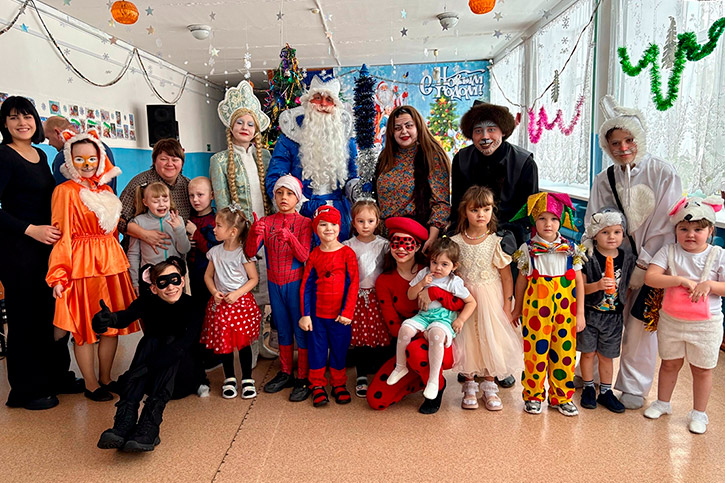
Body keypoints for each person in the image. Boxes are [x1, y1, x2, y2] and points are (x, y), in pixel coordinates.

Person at [586, 95, 682, 409]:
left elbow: (666, 224)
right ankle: (590, 374)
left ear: (639, 138)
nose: (623, 148)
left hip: (651, 264)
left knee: (640, 325)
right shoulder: (604, 179)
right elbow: (595, 219)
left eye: (629, 140)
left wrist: (644, 265)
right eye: (615, 143)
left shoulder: (663, 173)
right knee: (600, 315)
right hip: (609, 263)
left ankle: (633, 385)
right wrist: (594, 256)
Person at [46, 129, 139, 402]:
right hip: (82, 266)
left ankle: (106, 378)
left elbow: (112, 230)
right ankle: (90, 383)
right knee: (85, 328)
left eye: (91, 158)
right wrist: (59, 274)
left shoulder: (107, 190)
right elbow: (62, 235)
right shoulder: (64, 192)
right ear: (69, 160)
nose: (87, 164)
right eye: (79, 159)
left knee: (111, 324)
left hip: (111, 263)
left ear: (100, 159)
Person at [0, 96, 79, 410]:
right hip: (19, 250)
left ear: (36, 120)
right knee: (25, 319)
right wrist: (30, 229)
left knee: (51, 313)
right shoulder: (4, 155)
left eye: (27, 116)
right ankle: (25, 390)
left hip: (47, 248)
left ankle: (56, 376)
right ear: (5, 124)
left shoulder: (41, 154)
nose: (22, 123)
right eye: (14, 117)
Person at [94, 257, 208, 452]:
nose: (171, 287)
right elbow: (125, 317)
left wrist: (143, 368)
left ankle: (150, 424)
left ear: (182, 281)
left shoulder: (193, 305)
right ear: (154, 288)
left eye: (175, 280)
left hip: (181, 377)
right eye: (163, 283)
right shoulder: (148, 301)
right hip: (151, 373)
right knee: (151, 340)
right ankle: (124, 422)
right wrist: (107, 319)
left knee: (171, 342)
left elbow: (182, 346)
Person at [643, 196, 725, 434]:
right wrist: (678, 280)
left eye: (698, 229)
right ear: (676, 230)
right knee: (669, 363)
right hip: (672, 321)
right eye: (684, 229)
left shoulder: (718, 254)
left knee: (702, 368)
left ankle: (699, 413)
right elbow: (651, 277)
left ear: (710, 231)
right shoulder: (669, 251)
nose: (691, 234)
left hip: (706, 324)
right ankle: (663, 402)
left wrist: (710, 285)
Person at [367, 217, 463, 414]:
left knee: (417, 350)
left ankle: (436, 384)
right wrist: (420, 332)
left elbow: (459, 302)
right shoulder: (385, 280)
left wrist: (434, 293)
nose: (401, 248)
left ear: (418, 246)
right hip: (408, 339)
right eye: (396, 242)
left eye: (407, 243)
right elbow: (394, 325)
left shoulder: (435, 270)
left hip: (438, 338)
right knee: (376, 399)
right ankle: (419, 378)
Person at [511, 192, 587, 416]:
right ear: (534, 221)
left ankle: (561, 397)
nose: (548, 224)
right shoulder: (527, 249)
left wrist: (580, 313)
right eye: (542, 218)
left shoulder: (571, 248)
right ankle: (533, 395)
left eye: (554, 219)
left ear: (561, 221)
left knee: (564, 353)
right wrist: (516, 309)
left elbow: (579, 282)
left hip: (566, 309)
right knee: (535, 353)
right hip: (536, 310)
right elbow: (521, 281)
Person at [450, 186, 523, 411]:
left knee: (491, 340)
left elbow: (506, 276)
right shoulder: (455, 242)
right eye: (475, 210)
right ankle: (469, 384)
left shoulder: (495, 242)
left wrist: (507, 305)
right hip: (465, 301)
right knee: (469, 341)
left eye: (486, 209)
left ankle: (490, 386)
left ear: (492, 211)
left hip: (491, 299)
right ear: (465, 212)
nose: (481, 214)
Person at [266, 76, 359, 241]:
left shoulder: (346, 139)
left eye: (329, 100)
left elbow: (353, 174)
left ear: (336, 105)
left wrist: (359, 190)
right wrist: (297, 203)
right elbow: (276, 176)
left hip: (338, 214)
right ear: (309, 102)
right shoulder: (290, 137)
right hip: (302, 213)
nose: (323, 104)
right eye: (317, 98)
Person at [246, 175, 313, 401]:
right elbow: (250, 252)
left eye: (289, 193)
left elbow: (304, 256)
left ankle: (303, 376)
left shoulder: (305, 223)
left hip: (296, 284)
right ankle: (285, 371)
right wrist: (254, 233)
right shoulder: (267, 222)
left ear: (298, 197)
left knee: (300, 329)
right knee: (282, 328)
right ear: (274, 196)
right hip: (275, 284)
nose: (284, 198)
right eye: (279, 193)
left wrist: (290, 238)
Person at [210, 79, 273, 312]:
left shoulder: (265, 156)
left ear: (256, 129)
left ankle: (270, 330)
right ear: (231, 126)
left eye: (250, 124)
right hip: (241, 235)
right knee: (247, 286)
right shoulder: (219, 160)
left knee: (269, 285)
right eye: (240, 122)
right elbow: (223, 204)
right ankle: (251, 332)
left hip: (267, 231)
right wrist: (232, 236)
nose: (245, 127)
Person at [387, 237, 476, 400]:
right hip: (424, 316)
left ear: (454, 266)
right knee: (405, 328)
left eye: (444, 264)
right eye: (434, 262)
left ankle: (433, 379)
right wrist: (421, 284)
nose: (438, 268)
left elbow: (471, 302)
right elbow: (410, 295)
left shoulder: (454, 282)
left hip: (443, 320)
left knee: (436, 335)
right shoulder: (425, 274)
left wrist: (461, 320)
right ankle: (400, 367)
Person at [450, 101, 538, 248]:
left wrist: (508, 239)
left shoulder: (524, 162)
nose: (485, 136)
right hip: (469, 235)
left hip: (511, 238)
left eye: (491, 129)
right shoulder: (461, 159)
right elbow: (457, 205)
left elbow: (529, 212)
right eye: (478, 131)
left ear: (503, 131)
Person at [299, 206, 359, 406]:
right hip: (317, 317)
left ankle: (338, 383)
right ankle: (316, 384)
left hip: (340, 317)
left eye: (333, 224)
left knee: (339, 350)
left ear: (340, 226)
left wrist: (348, 311)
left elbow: (353, 284)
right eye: (323, 224)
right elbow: (306, 286)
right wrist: (306, 314)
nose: (329, 228)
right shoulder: (314, 254)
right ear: (316, 228)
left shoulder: (347, 253)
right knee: (317, 351)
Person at [201, 206, 261, 399]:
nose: (214, 229)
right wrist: (214, 292)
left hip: (240, 304)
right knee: (224, 344)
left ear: (233, 231)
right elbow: (208, 276)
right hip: (221, 305)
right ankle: (230, 378)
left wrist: (237, 294)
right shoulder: (215, 252)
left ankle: (247, 379)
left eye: (218, 226)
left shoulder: (243, 253)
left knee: (242, 344)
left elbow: (253, 279)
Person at [578, 209, 634, 413]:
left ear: (623, 235)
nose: (612, 237)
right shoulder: (588, 257)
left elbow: (628, 285)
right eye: (605, 232)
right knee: (588, 353)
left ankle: (606, 391)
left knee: (606, 356)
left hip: (613, 317)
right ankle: (588, 387)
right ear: (595, 235)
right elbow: (580, 289)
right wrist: (598, 285)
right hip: (591, 313)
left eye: (617, 232)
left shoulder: (627, 258)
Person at [374, 105, 450, 252]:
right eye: (397, 128)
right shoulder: (385, 157)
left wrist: (432, 238)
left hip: (416, 237)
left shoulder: (431, 155)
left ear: (418, 127)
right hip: (386, 236)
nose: (403, 131)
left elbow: (441, 203)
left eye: (409, 126)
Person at [342, 199, 390, 398]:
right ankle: (361, 374)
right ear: (353, 222)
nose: (365, 226)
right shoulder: (347, 246)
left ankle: (378, 370)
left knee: (379, 334)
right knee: (360, 337)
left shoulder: (384, 245)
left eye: (370, 221)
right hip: (357, 298)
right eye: (360, 221)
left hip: (378, 297)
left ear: (377, 222)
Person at [118, 138, 191, 253]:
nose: (170, 164)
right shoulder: (140, 183)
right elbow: (118, 219)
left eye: (175, 159)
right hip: (141, 252)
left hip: (177, 253)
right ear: (154, 161)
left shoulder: (188, 185)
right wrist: (144, 234)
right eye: (163, 159)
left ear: (182, 162)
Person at [185, 176, 221, 374]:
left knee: (211, 313)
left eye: (200, 195)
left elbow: (212, 250)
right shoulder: (190, 218)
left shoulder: (215, 221)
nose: (195, 200)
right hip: (193, 274)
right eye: (191, 196)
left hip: (210, 275)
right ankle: (200, 351)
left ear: (212, 195)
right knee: (197, 313)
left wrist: (195, 234)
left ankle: (214, 354)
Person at [127, 182, 191, 292]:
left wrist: (179, 229)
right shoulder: (139, 222)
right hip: (150, 277)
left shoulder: (177, 220)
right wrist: (135, 281)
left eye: (165, 200)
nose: (161, 204)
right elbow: (133, 254)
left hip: (174, 276)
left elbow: (184, 249)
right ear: (145, 202)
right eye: (156, 201)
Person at [43, 115, 117, 193]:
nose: (49, 143)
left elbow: (63, 194)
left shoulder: (65, 156)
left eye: (48, 138)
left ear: (57, 133)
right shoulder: (102, 147)